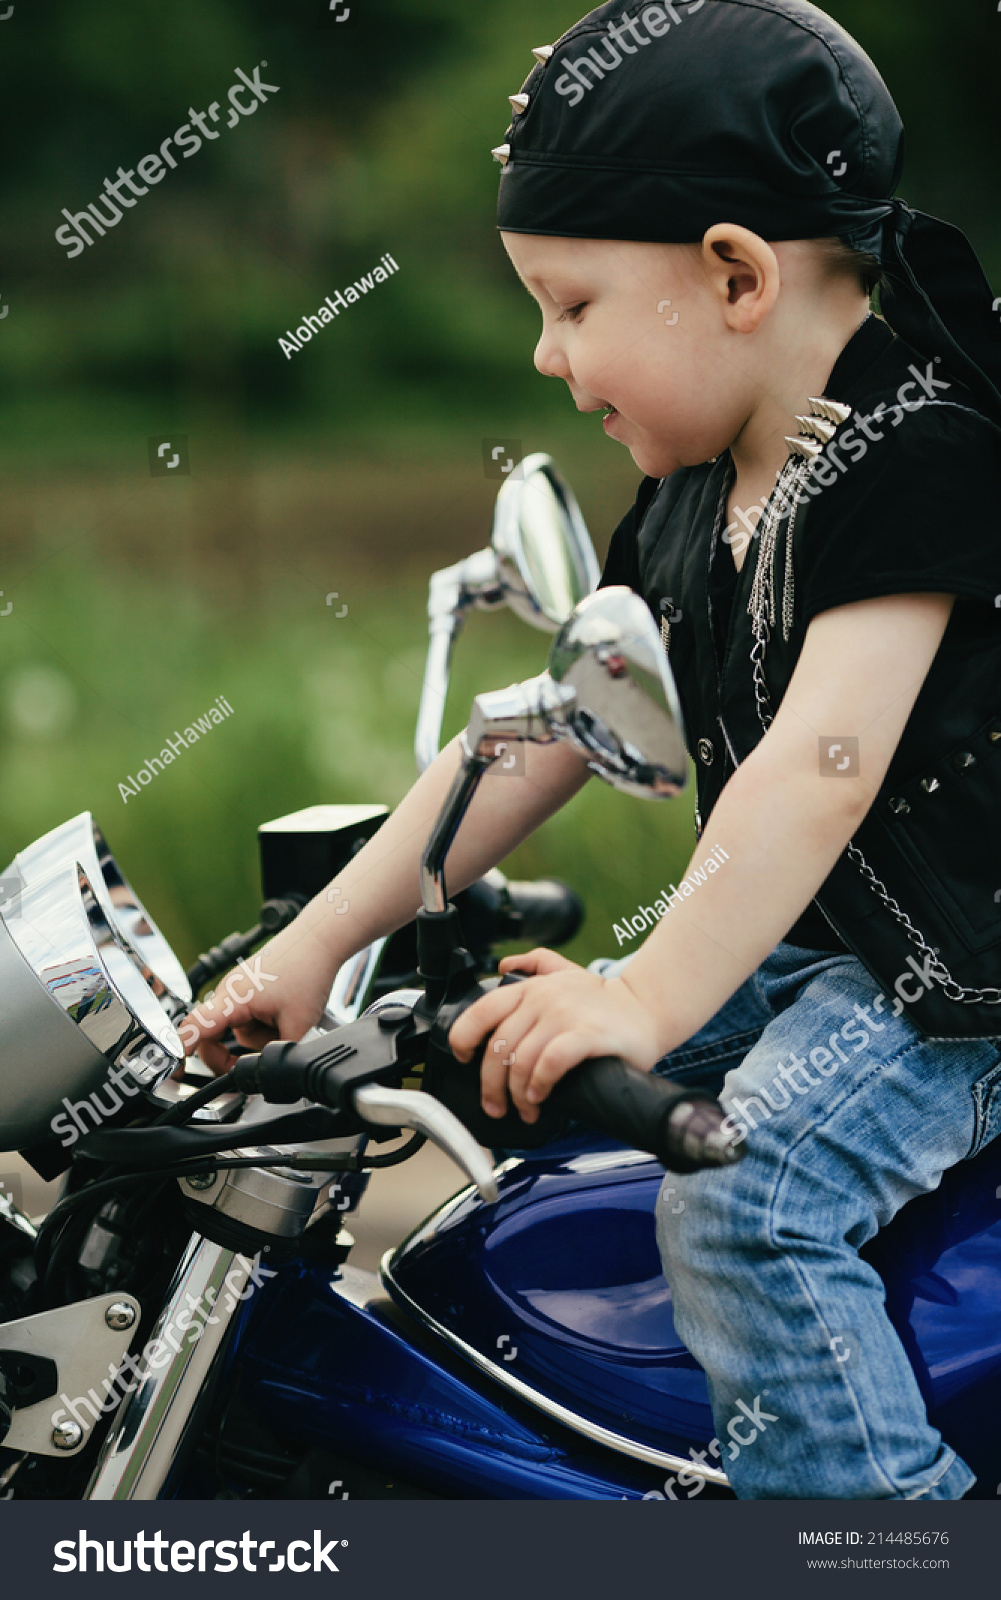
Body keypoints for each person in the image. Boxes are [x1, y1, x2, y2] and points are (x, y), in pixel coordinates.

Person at [184, 0, 1001, 1498]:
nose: (550, 358)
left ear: (735, 276)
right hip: (836, 964)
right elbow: (541, 729)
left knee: (746, 1205)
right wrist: (314, 948)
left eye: (571, 304)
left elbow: (817, 771)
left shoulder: (918, 453)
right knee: (492, 1066)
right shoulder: (693, 492)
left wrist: (644, 990)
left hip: (956, 990)